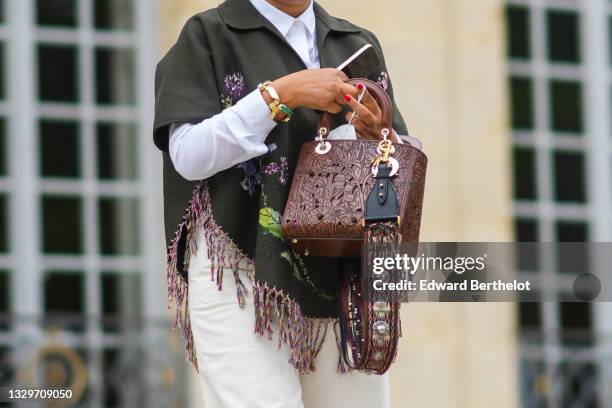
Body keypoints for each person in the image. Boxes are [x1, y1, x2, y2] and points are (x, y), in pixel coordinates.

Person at [153, 0, 408, 406]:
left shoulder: (354, 41)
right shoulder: (209, 34)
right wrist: (280, 95)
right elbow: (188, 156)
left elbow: (393, 167)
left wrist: (376, 133)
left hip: (338, 278)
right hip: (237, 274)